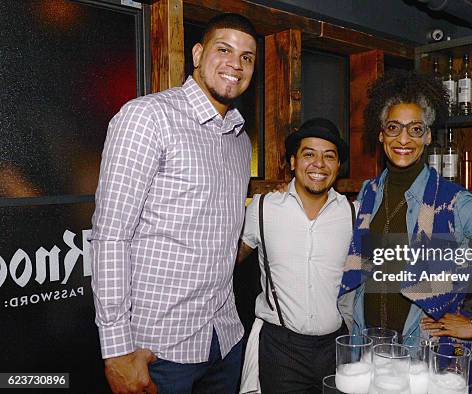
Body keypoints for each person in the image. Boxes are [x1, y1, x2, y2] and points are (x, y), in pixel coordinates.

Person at [338, 70, 472, 391]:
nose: (403, 139)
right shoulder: (369, 193)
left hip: (424, 355)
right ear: (381, 135)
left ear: (427, 136)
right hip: (369, 353)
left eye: (415, 129)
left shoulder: (453, 201)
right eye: (394, 128)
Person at [90, 13, 257, 394]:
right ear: (197, 54)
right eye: (224, 49)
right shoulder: (148, 117)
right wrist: (116, 350)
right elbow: (110, 237)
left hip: (225, 338)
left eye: (247, 57)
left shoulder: (239, 140)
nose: (236, 64)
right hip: (158, 349)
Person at [237, 118, 356, 394]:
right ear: (293, 162)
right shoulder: (263, 208)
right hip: (281, 350)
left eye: (329, 156)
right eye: (309, 154)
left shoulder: (353, 214)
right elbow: (224, 264)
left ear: (338, 166)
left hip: (335, 349)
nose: (319, 164)